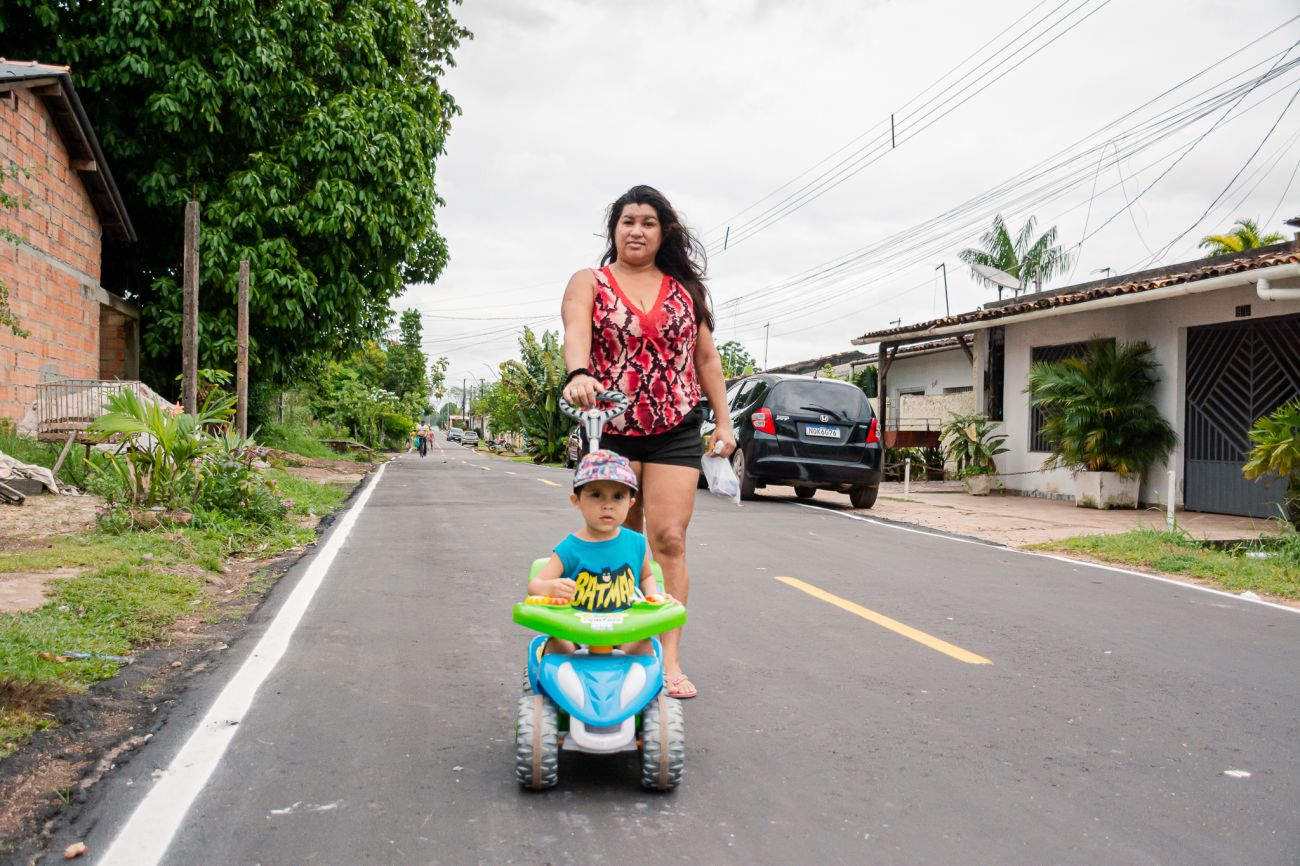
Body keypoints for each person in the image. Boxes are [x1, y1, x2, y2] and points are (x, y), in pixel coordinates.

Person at [560, 184, 736, 699]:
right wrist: (578, 372)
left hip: (675, 427)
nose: (636, 231)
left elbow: (707, 359)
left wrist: (724, 423)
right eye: (628, 221)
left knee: (669, 540)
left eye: (648, 222)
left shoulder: (685, 291)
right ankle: (614, 644)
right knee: (621, 542)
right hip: (611, 428)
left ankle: (666, 657)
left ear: (663, 233)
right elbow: (576, 331)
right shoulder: (590, 281)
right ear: (614, 230)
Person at [527, 450, 662, 658]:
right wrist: (550, 587)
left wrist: (653, 596)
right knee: (558, 644)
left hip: (624, 629)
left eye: (618, 496)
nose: (608, 505)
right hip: (575, 630)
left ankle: (646, 680)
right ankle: (550, 676)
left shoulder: (636, 543)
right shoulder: (569, 548)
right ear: (576, 501)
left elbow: (646, 577)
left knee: (643, 644)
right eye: (596, 495)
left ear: (630, 503)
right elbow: (535, 585)